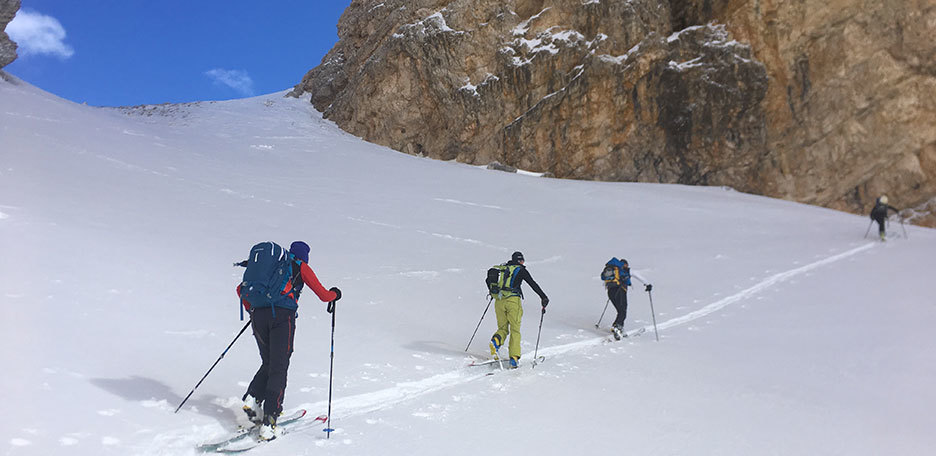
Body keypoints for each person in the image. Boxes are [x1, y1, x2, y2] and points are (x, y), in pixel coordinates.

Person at [237, 241, 341, 441]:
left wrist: (255, 307)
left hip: (258, 316)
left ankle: (253, 397)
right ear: (304, 256)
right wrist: (336, 294)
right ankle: (269, 423)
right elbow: (324, 295)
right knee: (279, 365)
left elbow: (240, 290)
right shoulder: (300, 266)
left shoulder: (272, 266)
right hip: (282, 318)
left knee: (269, 362)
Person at [485, 251, 549, 368]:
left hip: (499, 301)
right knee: (515, 329)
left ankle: (496, 341)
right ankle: (514, 359)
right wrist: (543, 297)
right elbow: (532, 283)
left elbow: (489, 280)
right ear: (520, 261)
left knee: (502, 328)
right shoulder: (520, 270)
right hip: (513, 302)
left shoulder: (502, 269)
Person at [601, 257, 652, 340]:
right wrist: (647, 284)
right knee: (623, 311)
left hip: (610, 292)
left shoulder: (612, 271)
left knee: (620, 310)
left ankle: (619, 327)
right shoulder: (627, 270)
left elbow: (604, 282)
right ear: (625, 264)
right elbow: (638, 276)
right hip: (621, 291)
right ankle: (617, 327)